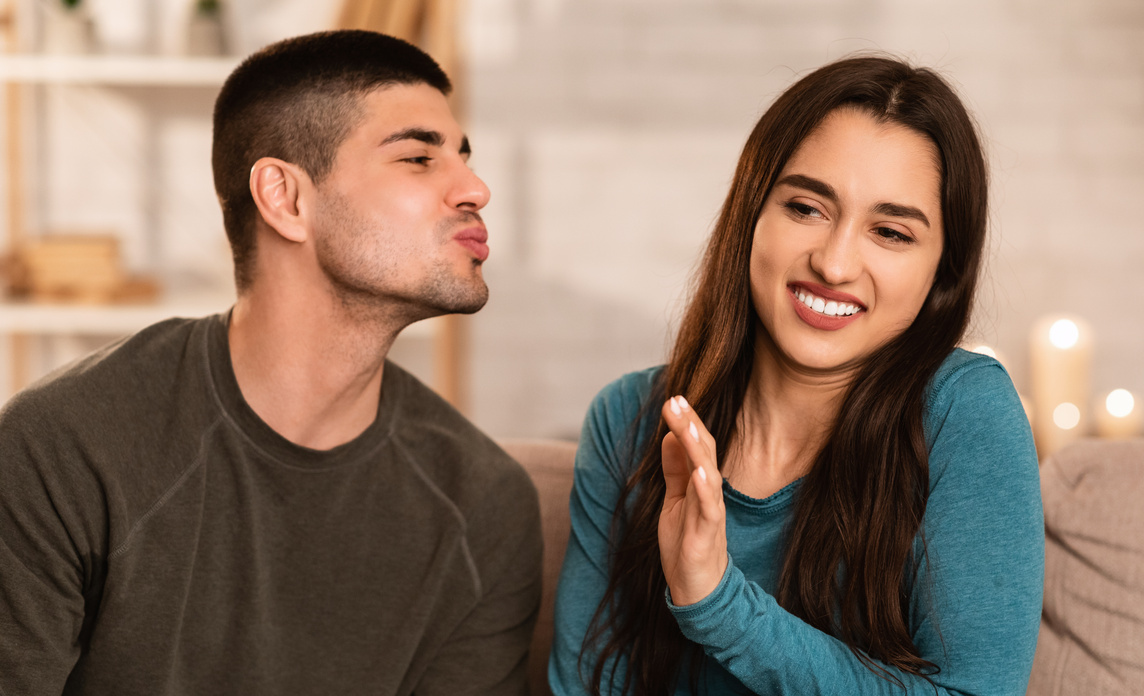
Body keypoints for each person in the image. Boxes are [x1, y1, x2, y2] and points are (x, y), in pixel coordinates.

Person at [0, 30, 541, 695]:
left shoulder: (484, 504)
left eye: (464, 155)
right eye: (417, 158)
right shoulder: (61, 448)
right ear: (285, 198)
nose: (476, 188)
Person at [550, 56, 1043, 695]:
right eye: (807, 208)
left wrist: (719, 602)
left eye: (891, 232)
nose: (834, 264)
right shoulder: (628, 420)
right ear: (752, 213)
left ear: (941, 275)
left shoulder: (963, 412)